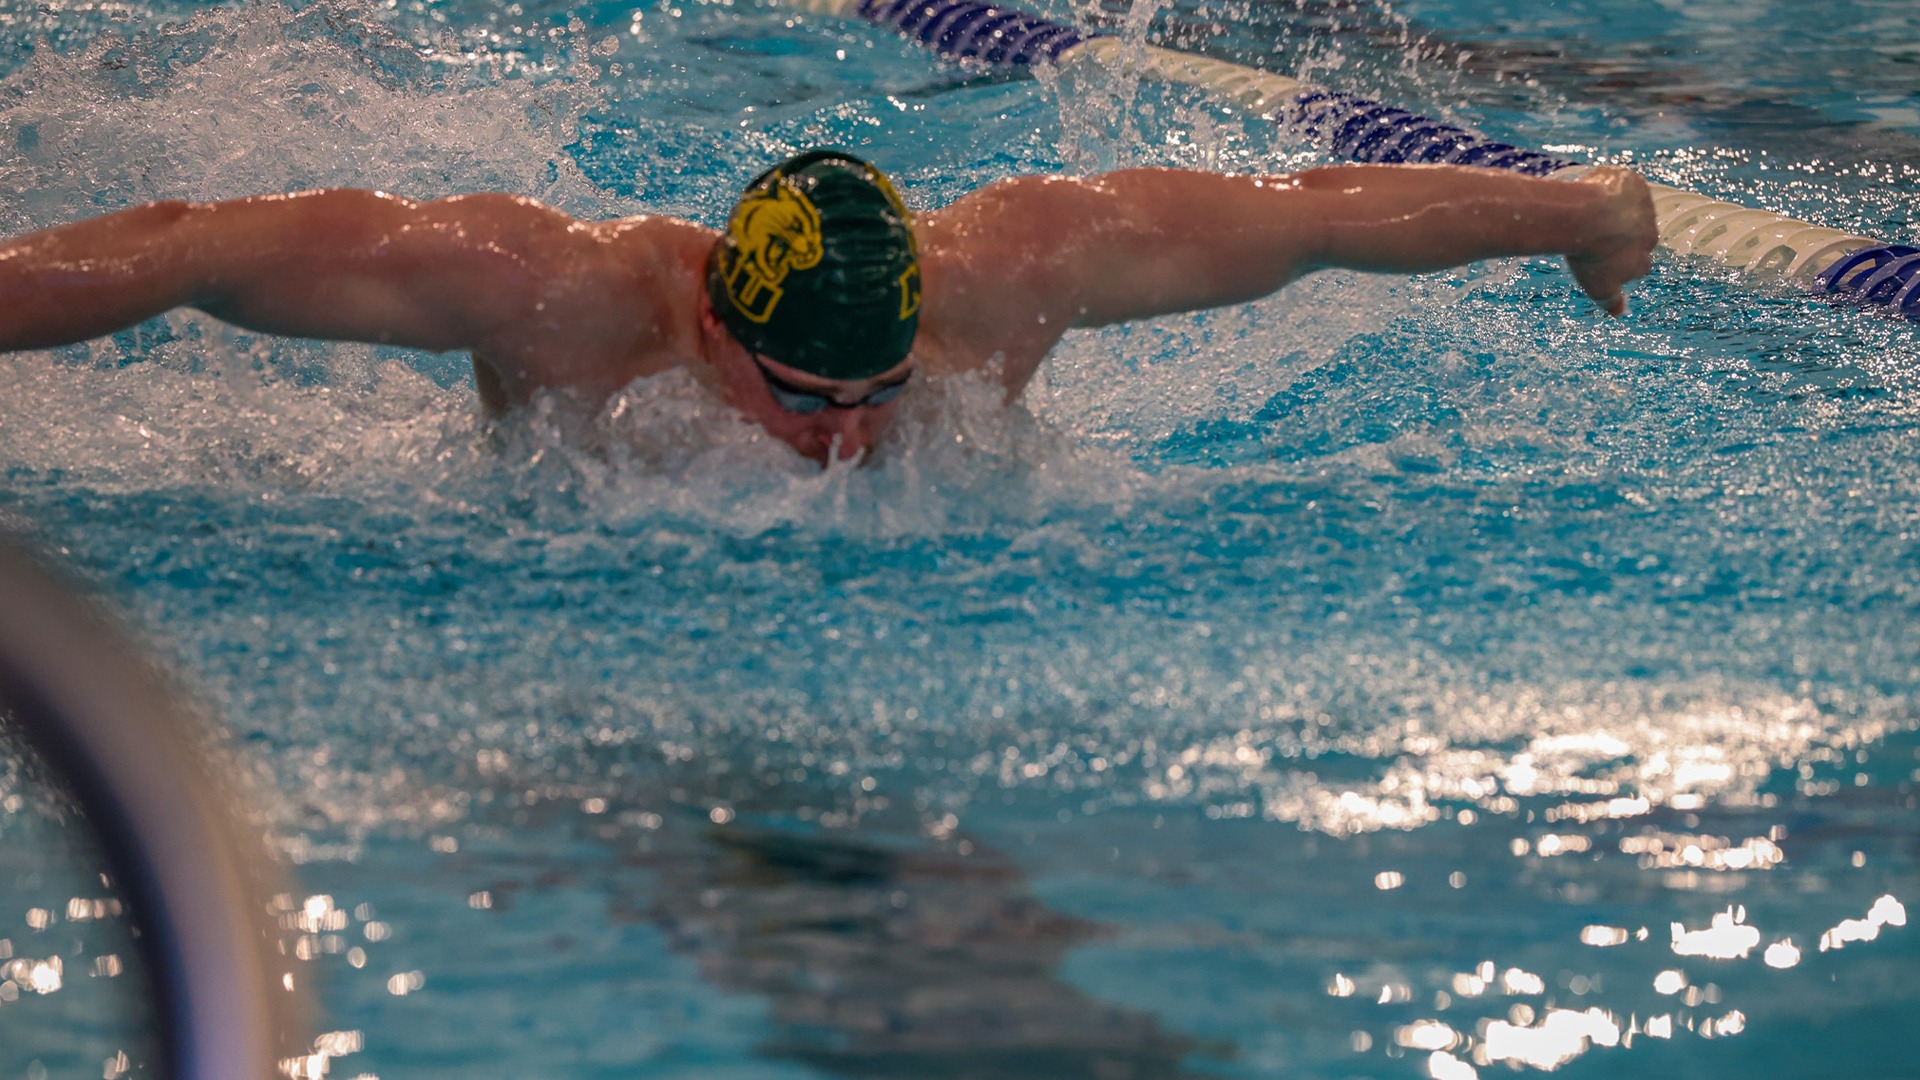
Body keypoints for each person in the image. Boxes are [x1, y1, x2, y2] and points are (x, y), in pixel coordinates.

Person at [0, 149, 1656, 464]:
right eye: (803, 397)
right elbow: (187, 247)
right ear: (715, 323)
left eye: (872, 397)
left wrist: (1586, 209)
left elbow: (1313, 221)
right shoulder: (545, 296)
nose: (845, 438)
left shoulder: (1007, 281)